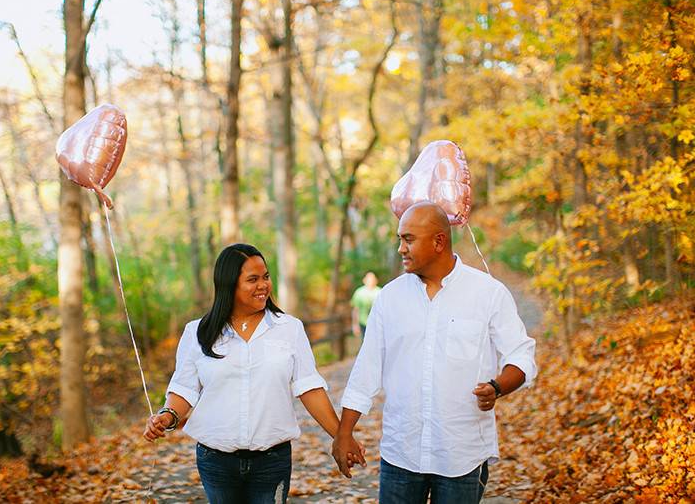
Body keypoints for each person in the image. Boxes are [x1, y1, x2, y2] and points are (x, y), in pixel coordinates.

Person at [331, 202, 537, 503]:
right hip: (401, 454)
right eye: (400, 239)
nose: (401, 248)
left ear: (439, 241)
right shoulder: (389, 298)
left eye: (409, 239)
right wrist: (344, 433)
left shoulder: (488, 293)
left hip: (462, 454)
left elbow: (521, 356)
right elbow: (367, 370)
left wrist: (497, 387)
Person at [143, 243, 346, 504]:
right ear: (229, 285)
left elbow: (309, 388)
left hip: (272, 461)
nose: (263, 285)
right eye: (253, 279)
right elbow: (184, 391)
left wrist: (342, 437)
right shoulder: (197, 333)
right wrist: (167, 416)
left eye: (266, 277)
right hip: (215, 461)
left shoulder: (289, 329)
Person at [350, 271, 381, 338]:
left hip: (377, 324)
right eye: (368, 279)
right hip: (363, 323)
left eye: (372, 279)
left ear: (376, 280)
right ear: (364, 280)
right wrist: (355, 324)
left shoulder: (380, 292)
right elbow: (355, 309)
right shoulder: (359, 292)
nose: (370, 281)